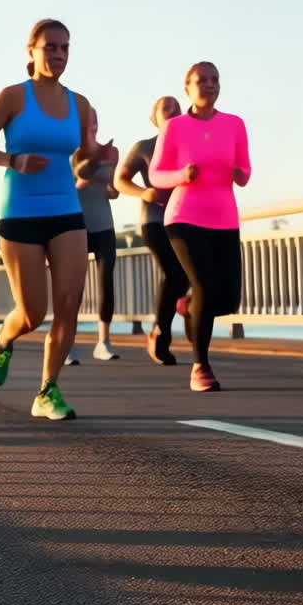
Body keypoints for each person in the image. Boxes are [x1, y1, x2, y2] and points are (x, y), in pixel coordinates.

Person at [0, 18, 109, 421]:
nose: (59, 54)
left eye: (65, 47)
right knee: (32, 313)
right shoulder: (13, 97)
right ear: (31, 51)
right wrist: (13, 160)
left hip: (66, 210)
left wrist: (98, 154)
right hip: (20, 213)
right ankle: (3, 335)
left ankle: (48, 390)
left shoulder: (79, 103)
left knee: (69, 306)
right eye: (50, 47)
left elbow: (80, 156)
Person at [149, 62, 251, 392]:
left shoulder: (234, 124)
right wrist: (182, 176)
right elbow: (156, 175)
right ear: (187, 87)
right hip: (184, 217)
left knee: (229, 299)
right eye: (201, 80)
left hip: (223, 217)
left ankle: (188, 306)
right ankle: (200, 366)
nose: (209, 85)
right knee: (205, 284)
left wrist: (239, 174)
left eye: (214, 79)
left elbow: (246, 170)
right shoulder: (175, 127)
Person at [116, 96, 187, 366]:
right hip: (155, 221)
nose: (173, 114)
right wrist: (143, 192)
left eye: (177, 110)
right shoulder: (144, 147)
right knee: (174, 272)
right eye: (166, 110)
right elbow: (120, 181)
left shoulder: (189, 145)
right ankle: (161, 333)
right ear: (154, 118)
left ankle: (184, 304)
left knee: (190, 274)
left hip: (185, 219)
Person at [69, 107, 121, 364]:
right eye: (87, 123)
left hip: (104, 224)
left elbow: (112, 188)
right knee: (73, 288)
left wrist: (113, 189)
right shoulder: (70, 154)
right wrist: (88, 170)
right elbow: (73, 186)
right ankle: (69, 344)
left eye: (95, 122)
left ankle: (103, 341)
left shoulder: (111, 153)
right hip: (77, 226)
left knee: (106, 282)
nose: (93, 127)